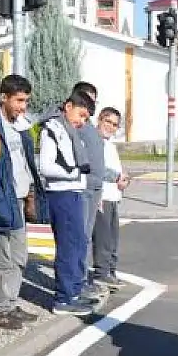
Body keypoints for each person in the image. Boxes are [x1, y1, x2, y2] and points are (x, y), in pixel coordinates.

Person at [0, 74, 44, 329]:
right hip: (2, 199)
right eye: (18, 100)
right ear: (4, 98)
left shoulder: (21, 124)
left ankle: (10, 301)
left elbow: (26, 161)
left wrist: (32, 189)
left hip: (20, 198)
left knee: (19, 256)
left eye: (26, 101)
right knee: (3, 258)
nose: (22, 106)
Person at [38, 88, 102, 316]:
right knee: (68, 247)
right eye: (81, 116)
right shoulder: (52, 129)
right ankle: (64, 298)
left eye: (86, 118)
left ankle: (74, 290)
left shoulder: (70, 131)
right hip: (62, 194)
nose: (82, 122)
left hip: (74, 192)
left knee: (78, 244)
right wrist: (74, 173)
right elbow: (45, 166)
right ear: (68, 107)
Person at [92, 107, 130, 289]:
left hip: (113, 196)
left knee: (112, 237)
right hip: (102, 196)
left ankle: (110, 270)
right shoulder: (95, 142)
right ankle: (102, 272)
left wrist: (123, 180)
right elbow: (96, 170)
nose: (111, 127)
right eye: (108, 122)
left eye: (115, 125)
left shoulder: (110, 145)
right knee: (103, 238)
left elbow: (116, 170)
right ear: (100, 119)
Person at [75, 82, 107, 292]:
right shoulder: (76, 126)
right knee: (81, 236)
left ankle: (83, 278)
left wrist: (111, 178)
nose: (91, 102)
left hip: (95, 186)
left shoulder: (90, 127)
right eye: (87, 97)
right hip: (83, 187)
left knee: (86, 236)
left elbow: (98, 160)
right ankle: (78, 281)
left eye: (93, 99)